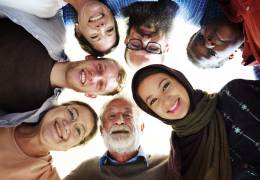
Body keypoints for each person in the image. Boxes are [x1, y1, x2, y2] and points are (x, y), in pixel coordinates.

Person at [132, 64, 260, 179]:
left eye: (166, 86)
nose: (166, 101)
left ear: (180, 80)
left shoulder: (235, 95)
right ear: (153, 113)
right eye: (153, 101)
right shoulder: (179, 160)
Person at [0, 17, 126, 113]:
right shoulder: (53, 28)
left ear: (90, 95)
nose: (94, 77)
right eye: (99, 68)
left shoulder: (39, 113)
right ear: (90, 57)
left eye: (100, 85)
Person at [65, 97, 169, 180]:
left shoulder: (168, 165)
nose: (119, 121)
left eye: (127, 115)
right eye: (112, 115)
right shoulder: (86, 170)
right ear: (102, 130)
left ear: (141, 128)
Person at [0, 100, 98, 180]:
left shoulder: (45, 177)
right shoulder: (8, 113)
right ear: (56, 107)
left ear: (71, 147)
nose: (67, 125)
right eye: (71, 113)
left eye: (78, 130)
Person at [0, 0, 119, 56]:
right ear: (112, 14)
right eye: (109, 30)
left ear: (78, 31)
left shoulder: (45, 10)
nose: (101, 28)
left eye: (95, 36)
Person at [187, 0, 260, 69]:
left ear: (203, 25)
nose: (208, 43)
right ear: (230, 56)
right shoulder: (257, 53)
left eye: (201, 37)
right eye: (212, 53)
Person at [122, 0, 179, 69]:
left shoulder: (112, 6)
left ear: (126, 39)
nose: (145, 39)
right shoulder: (194, 11)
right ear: (165, 46)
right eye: (153, 48)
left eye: (136, 45)